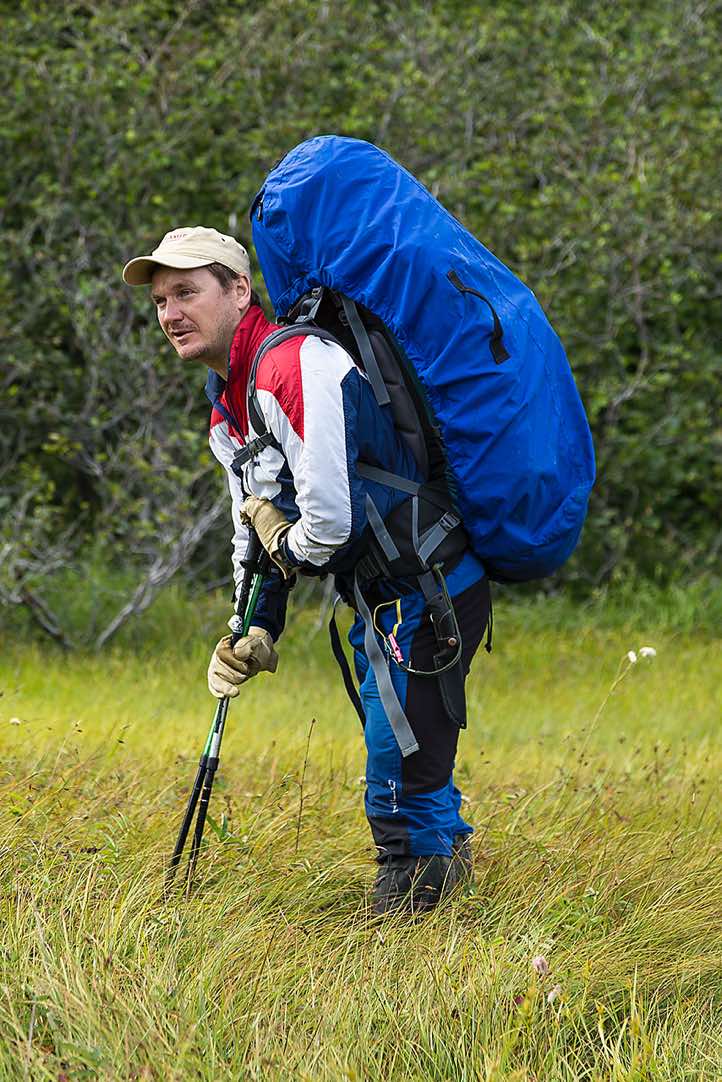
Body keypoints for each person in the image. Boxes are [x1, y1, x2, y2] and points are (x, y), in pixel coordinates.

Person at [123, 226, 491, 915]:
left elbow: (326, 525)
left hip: (430, 587)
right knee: (410, 751)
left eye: (186, 292)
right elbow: (254, 523)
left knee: (399, 765)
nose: (170, 313)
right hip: (385, 596)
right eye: (160, 300)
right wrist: (251, 627)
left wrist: (281, 544)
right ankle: (448, 896)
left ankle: (407, 921)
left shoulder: (293, 367)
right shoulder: (226, 405)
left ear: (238, 291)